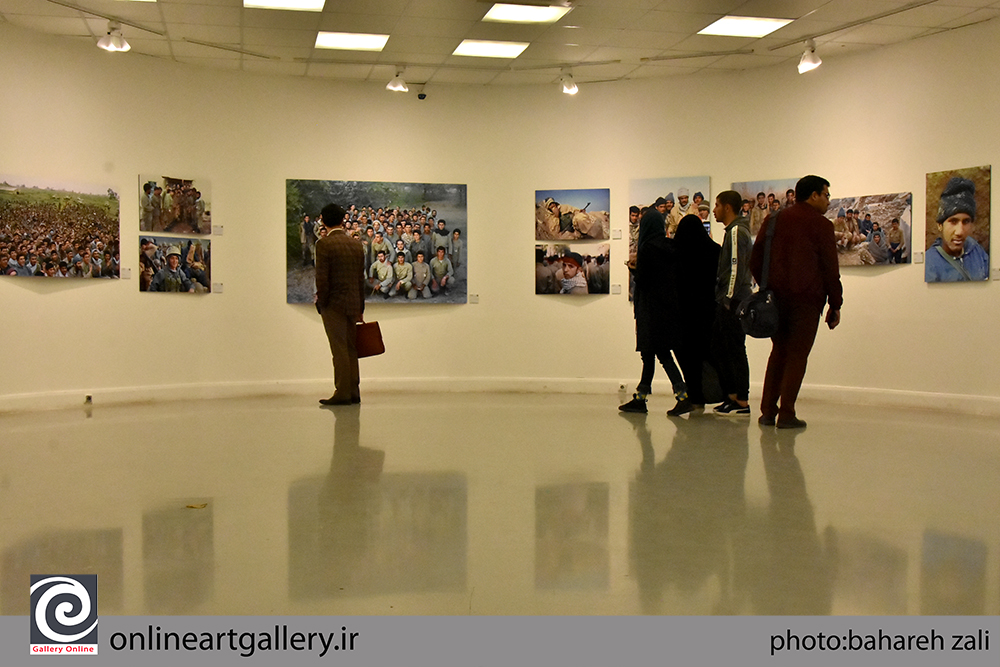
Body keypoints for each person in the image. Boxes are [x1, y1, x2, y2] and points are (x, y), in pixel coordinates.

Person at [751, 175, 843, 429]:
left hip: (775, 300)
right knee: (797, 355)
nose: (827, 200)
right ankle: (787, 414)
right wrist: (835, 303)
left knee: (778, 352)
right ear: (813, 195)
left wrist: (767, 287)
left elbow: (755, 259)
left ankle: (768, 411)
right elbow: (829, 269)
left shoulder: (774, 219)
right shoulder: (821, 225)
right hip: (806, 301)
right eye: (826, 195)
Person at [619, 198, 688, 415]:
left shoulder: (648, 249)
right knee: (650, 352)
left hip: (650, 308)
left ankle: (683, 394)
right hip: (666, 308)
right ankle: (641, 396)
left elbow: (645, 280)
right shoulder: (669, 246)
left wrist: (633, 269)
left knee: (659, 351)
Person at [315, 202, 365, 406]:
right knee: (351, 348)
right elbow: (360, 279)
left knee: (339, 349)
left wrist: (322, 302)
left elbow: (322, 279)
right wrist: (361, 307)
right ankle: (353, 391)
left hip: (334, 304)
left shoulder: (323, 244)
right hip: (353, 303)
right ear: (343, 220)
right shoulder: (355, 244)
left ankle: (342, 392)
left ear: (323, 220)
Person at [672, 214, 721, 413]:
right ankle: (719, 393)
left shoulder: (676, 251)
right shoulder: (715, 250)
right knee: (709, 354)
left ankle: (695, 397)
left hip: (683, 312)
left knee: (688, 357)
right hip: (708, 311)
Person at [711, 190, 753, 416]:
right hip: (731, 299)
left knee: (735, 349)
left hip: (734, 301)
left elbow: (735, 268)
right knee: (723, 346)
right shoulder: (734, 230)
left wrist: (727, 299)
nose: (714, 210)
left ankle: (741, 399)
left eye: (717, 205)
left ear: (727, 207)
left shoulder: (736, 231)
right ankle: (732, 395)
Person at [925, 177, 989, 281]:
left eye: (966, 221)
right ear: (940, 225)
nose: (960, 232)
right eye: (953, 222)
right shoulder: (930, 262)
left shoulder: (976, 251)